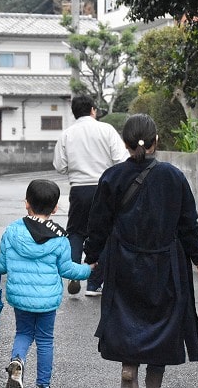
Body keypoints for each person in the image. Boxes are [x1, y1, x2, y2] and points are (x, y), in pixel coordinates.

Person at [83, 114, 198, 388]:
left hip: (123, 261)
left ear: (125, 143)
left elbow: (98, 223)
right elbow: (188, 223)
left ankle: (129, 367)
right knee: (162, 322)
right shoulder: (174, 177)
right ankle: (154, 380)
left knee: (127, 317)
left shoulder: (112, 176)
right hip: (165, 263)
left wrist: (91, 257)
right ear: (156, 141)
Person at [0, 179, 94, 388]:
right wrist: (88, 269)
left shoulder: (12, 231)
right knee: (45, 340)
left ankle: (17, 362)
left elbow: (1, 265)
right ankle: (43, 384)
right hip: (47, 301)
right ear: (55, 208)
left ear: (26, 203)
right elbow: (67, 269)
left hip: (20, 298)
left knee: (23, 333)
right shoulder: (59, 238)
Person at [53, 95, 128, 296]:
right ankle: (94, 284)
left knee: (76, 232)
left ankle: (75, 274)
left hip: (78, 189)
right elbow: (122, 159)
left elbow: (59, 166)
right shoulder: (107, 130)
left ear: (74, 112)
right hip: (105, 187)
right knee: (105, 234)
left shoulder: (67, 134)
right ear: (93, 110)